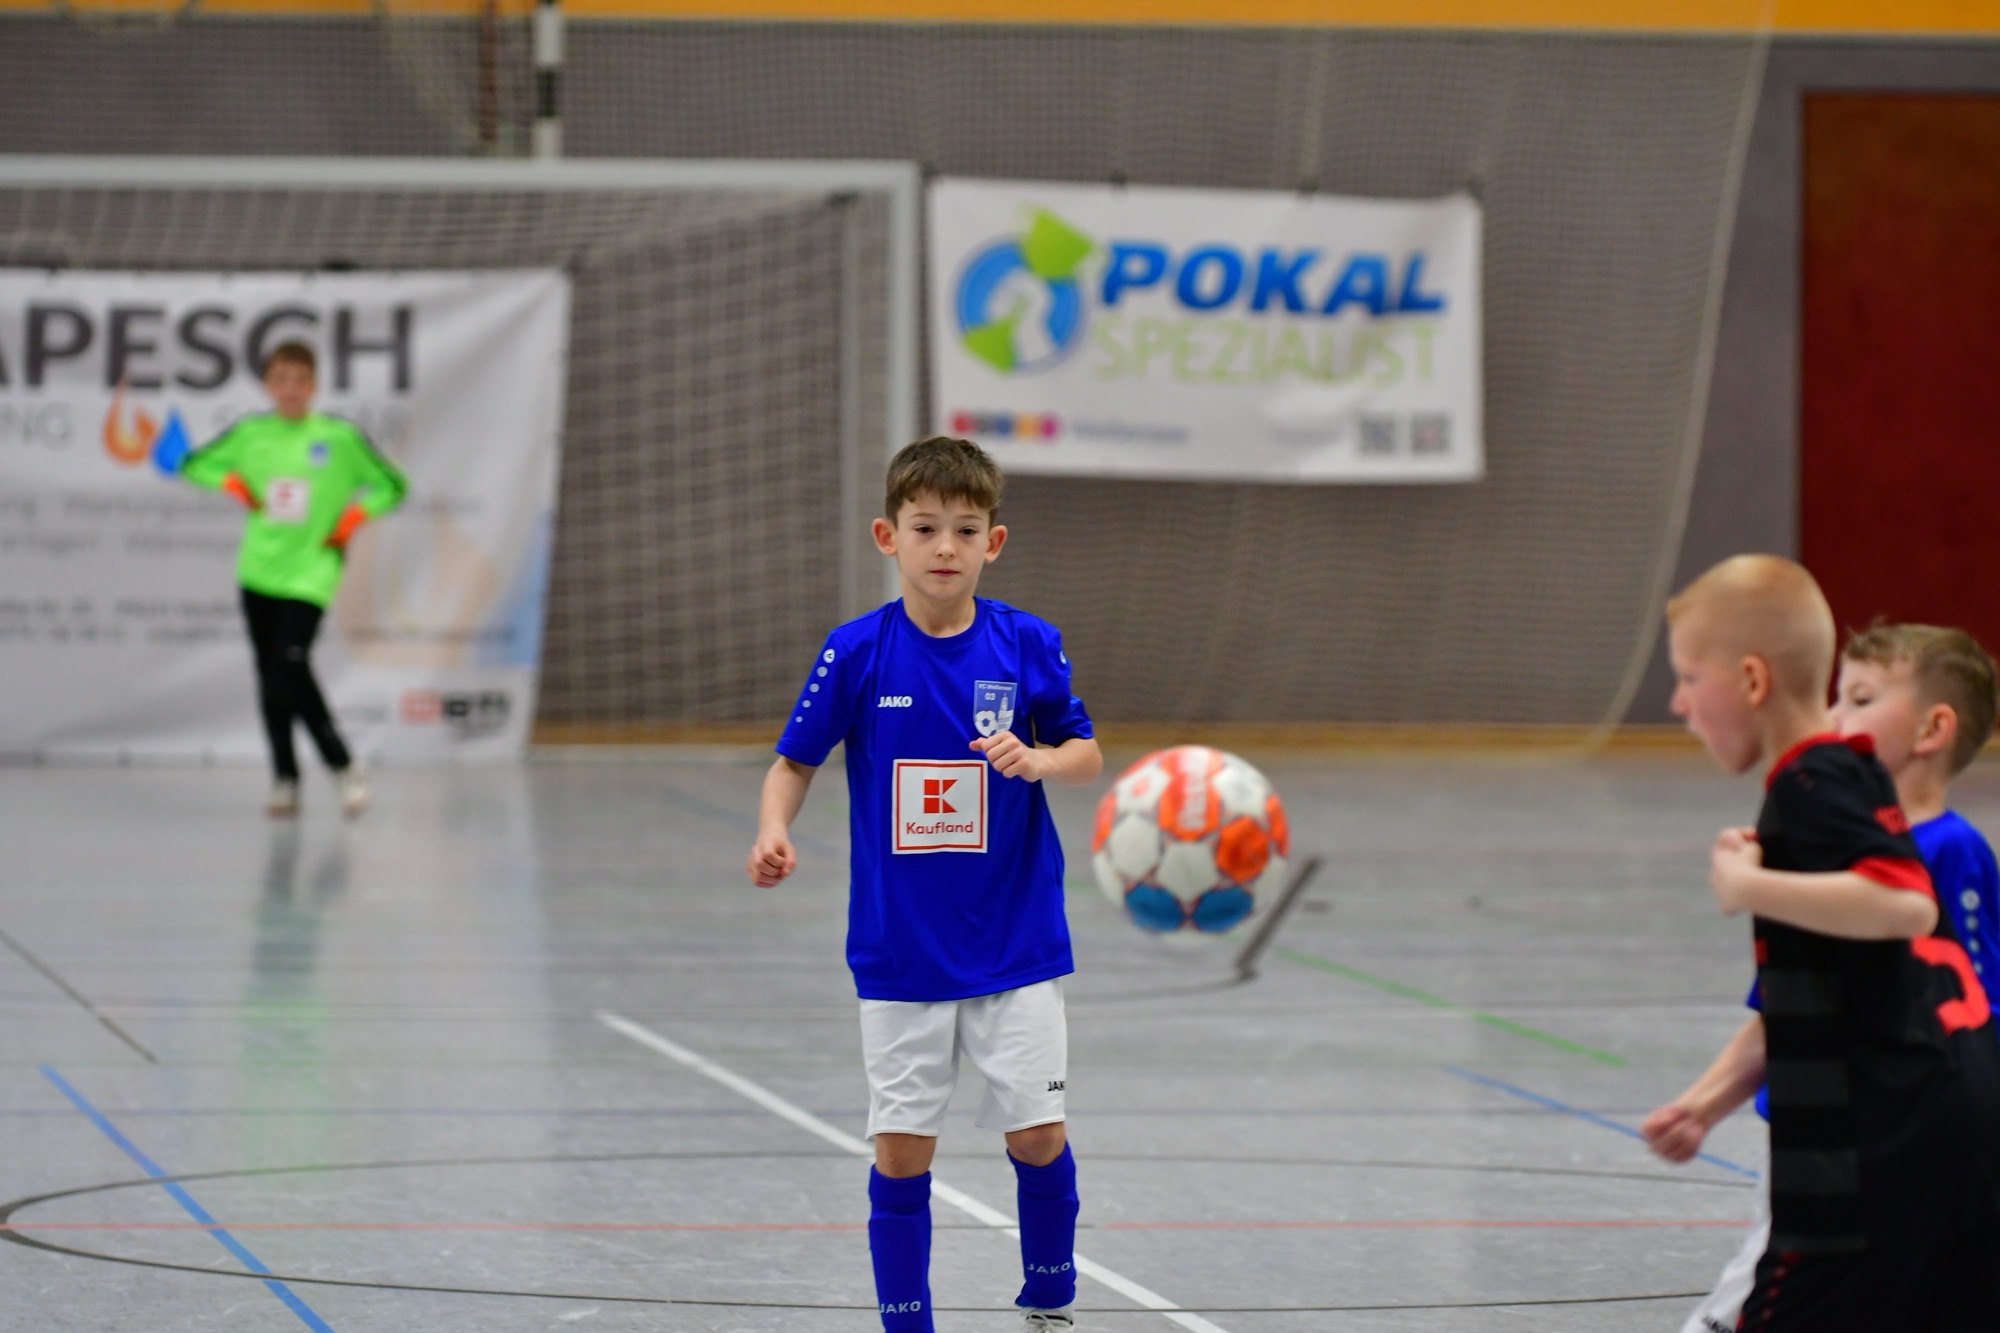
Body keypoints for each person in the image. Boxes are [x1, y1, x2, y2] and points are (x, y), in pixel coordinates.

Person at [745, 436, 1102, 1333]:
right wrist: (773, 827)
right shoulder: (856, 652)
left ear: (994, 543)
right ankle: (907, 1320)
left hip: (1016, 939)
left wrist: (1040, 760)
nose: (946, 545)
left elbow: (1086, 752)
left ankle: (1050, 1289)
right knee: (902, 1153)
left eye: (966, 529)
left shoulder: (1027, 642)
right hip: (901, 950)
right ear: (888, 536)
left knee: (1038, 1135)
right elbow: (794, 761)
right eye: (926, 527)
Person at [1641, 555, 2000, 1331]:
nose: (1678, 701)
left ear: (1751, 680)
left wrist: (1748, 886)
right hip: (1947, 1131)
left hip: (1878, 1149)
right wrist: (1703, 1104)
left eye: (1690, 677)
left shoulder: (1810, 785)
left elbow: (1904, 904)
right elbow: (1813, 989)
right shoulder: (1853, 778)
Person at [177, 342, 407, 818]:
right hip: (259, 569)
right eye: (281, 380)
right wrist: (230, 482)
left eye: (300, 380)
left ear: (314, 385)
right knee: (270, 677)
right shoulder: (251, 433)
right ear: (267, 384)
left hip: (312, 568)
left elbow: (391, 485)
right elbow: (194, 464)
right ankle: (285, 778)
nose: (291, 389)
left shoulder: (337, 437)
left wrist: (353, 516)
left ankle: (343, 765)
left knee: (290, 663)